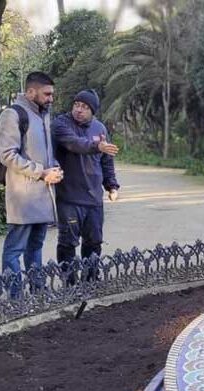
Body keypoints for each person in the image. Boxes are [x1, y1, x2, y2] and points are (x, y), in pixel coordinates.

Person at [0, 71, 63, 277]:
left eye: (52, 94)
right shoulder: (13, 114)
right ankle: (15, 298)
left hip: (43, 194)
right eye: (47, 94)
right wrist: (42, 173)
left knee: (35, 247)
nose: (51, 99)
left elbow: (45, 151)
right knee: (14, 249)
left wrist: (55, 168)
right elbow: (8, 156)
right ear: (30, 92)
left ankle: (37, 293)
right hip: (23, 197)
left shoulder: (43, 115)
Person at [52, 89, 120, 280]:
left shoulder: (100, 129)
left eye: (84, 107)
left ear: (93, 111)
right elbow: (75, 143)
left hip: (93, 199)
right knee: (68, 242)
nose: (79, 110)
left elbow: (106, 161)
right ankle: (69, 282)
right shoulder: (61, 124)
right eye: (77, 105)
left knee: (94, 241)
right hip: (69, 198)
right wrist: (96, 146)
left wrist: (111, 185)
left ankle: (90, 279)